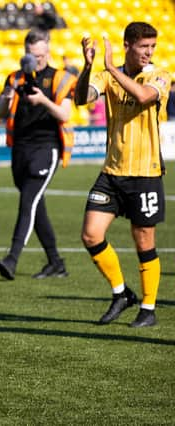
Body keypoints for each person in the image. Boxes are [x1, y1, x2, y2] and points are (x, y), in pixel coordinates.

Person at [74, 22, 170, 327]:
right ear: (127, 45)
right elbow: (81, 98)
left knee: (144, 241)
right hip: (112, 172)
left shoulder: (160, 75)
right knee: (91, 234)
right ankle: (121, 293)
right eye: (144, 47)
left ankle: (149, 308)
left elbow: (143, 96)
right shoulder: (106, 75)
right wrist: (88, 68)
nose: (149, 52)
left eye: (152, 47)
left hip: (145, 173)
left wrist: (109, 69)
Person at [0, 28, 76, 281]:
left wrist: (43, 101)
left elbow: (65, 114)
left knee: (28, 201)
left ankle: (12, 258)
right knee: (35, 206)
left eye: (39, 56)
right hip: (20, 148)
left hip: (46, 147)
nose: (35, 60)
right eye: (31, 55)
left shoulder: (61, 78)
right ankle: (55, 262)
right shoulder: (15, 78)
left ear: (48, 51)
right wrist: (6, 96)